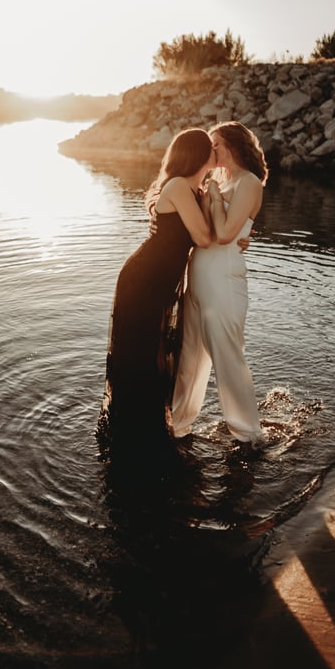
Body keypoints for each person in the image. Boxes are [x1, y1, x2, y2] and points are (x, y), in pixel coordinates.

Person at [98, 128, 215, 462]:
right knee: (141, 357)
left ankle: (146, 430)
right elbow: (204, 238)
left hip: (159, 283)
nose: (215, 153)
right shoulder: (179, 186)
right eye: (211, 148)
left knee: (156, 356)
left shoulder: (194, 188)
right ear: (198, 154)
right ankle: (133, 435)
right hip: (143, 281)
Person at [171, 121, 269, 447]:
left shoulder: (249, 182)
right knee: (189, 360)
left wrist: (212, 198)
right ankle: (179, 425)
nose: (210, 152)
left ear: (232, 145)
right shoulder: (217, 181)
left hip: (224, 283)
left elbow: (225, 235)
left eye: (215, 145)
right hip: (197, 280)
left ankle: (247, 436)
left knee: (228, 361)